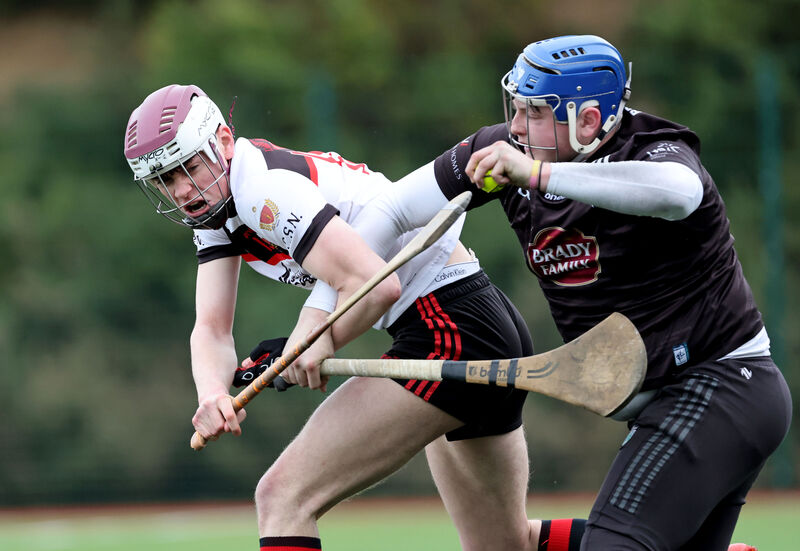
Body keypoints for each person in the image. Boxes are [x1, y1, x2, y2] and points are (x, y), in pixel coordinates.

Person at [354, 35, 791, 550]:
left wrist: (537, 174)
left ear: (587, 120)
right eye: (515, 108)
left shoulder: (653, 148)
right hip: (675, 403)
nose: (516, 127)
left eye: (534, 111)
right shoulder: (507, 154)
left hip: (718, 385)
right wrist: (323, 320)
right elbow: (392, 211)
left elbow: (680, 193)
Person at [123, 84, 588, 551]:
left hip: (448, 327)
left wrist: (307, 347)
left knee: (283, 498)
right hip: (473, 320)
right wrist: (213, 394)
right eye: (165, 179)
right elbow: (211, 328)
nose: (183, 189)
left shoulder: (259, 191)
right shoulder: (218, 210)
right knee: (507, 544)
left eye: (190, 166)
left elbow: (376, 284)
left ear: (223, 141)